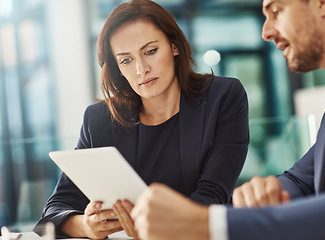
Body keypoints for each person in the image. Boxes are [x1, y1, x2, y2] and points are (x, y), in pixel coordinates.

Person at [131, 0, 325, 239]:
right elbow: (302, 180)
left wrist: (206, 223)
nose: (266, 32)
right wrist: (265, 191)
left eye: (276, 11)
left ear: (323, 3)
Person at [33, 0, 249, 239]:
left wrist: (154, 228)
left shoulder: (224, 97)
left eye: (150, 51)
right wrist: (87, 226)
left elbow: (213, 195)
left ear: (174, 46)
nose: (141, 69)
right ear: (117, 68)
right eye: (126, 60)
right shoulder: (99, 119)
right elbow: (54, 210)